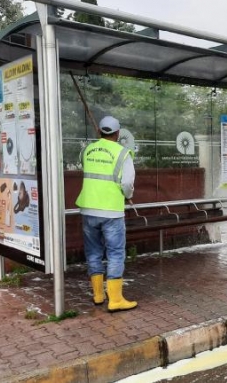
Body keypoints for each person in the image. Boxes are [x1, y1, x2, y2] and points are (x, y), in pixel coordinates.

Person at [75, 115, 137, 312]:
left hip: (88, 209)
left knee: (93, 251)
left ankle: (98, 295)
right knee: (115, 252)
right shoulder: (122, 153)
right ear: (118, 133)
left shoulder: (87, 150)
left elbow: (88, 170)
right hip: (111, 211)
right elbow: (127, 183)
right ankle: (116, 299)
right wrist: (127, 195)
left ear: (99, 131)